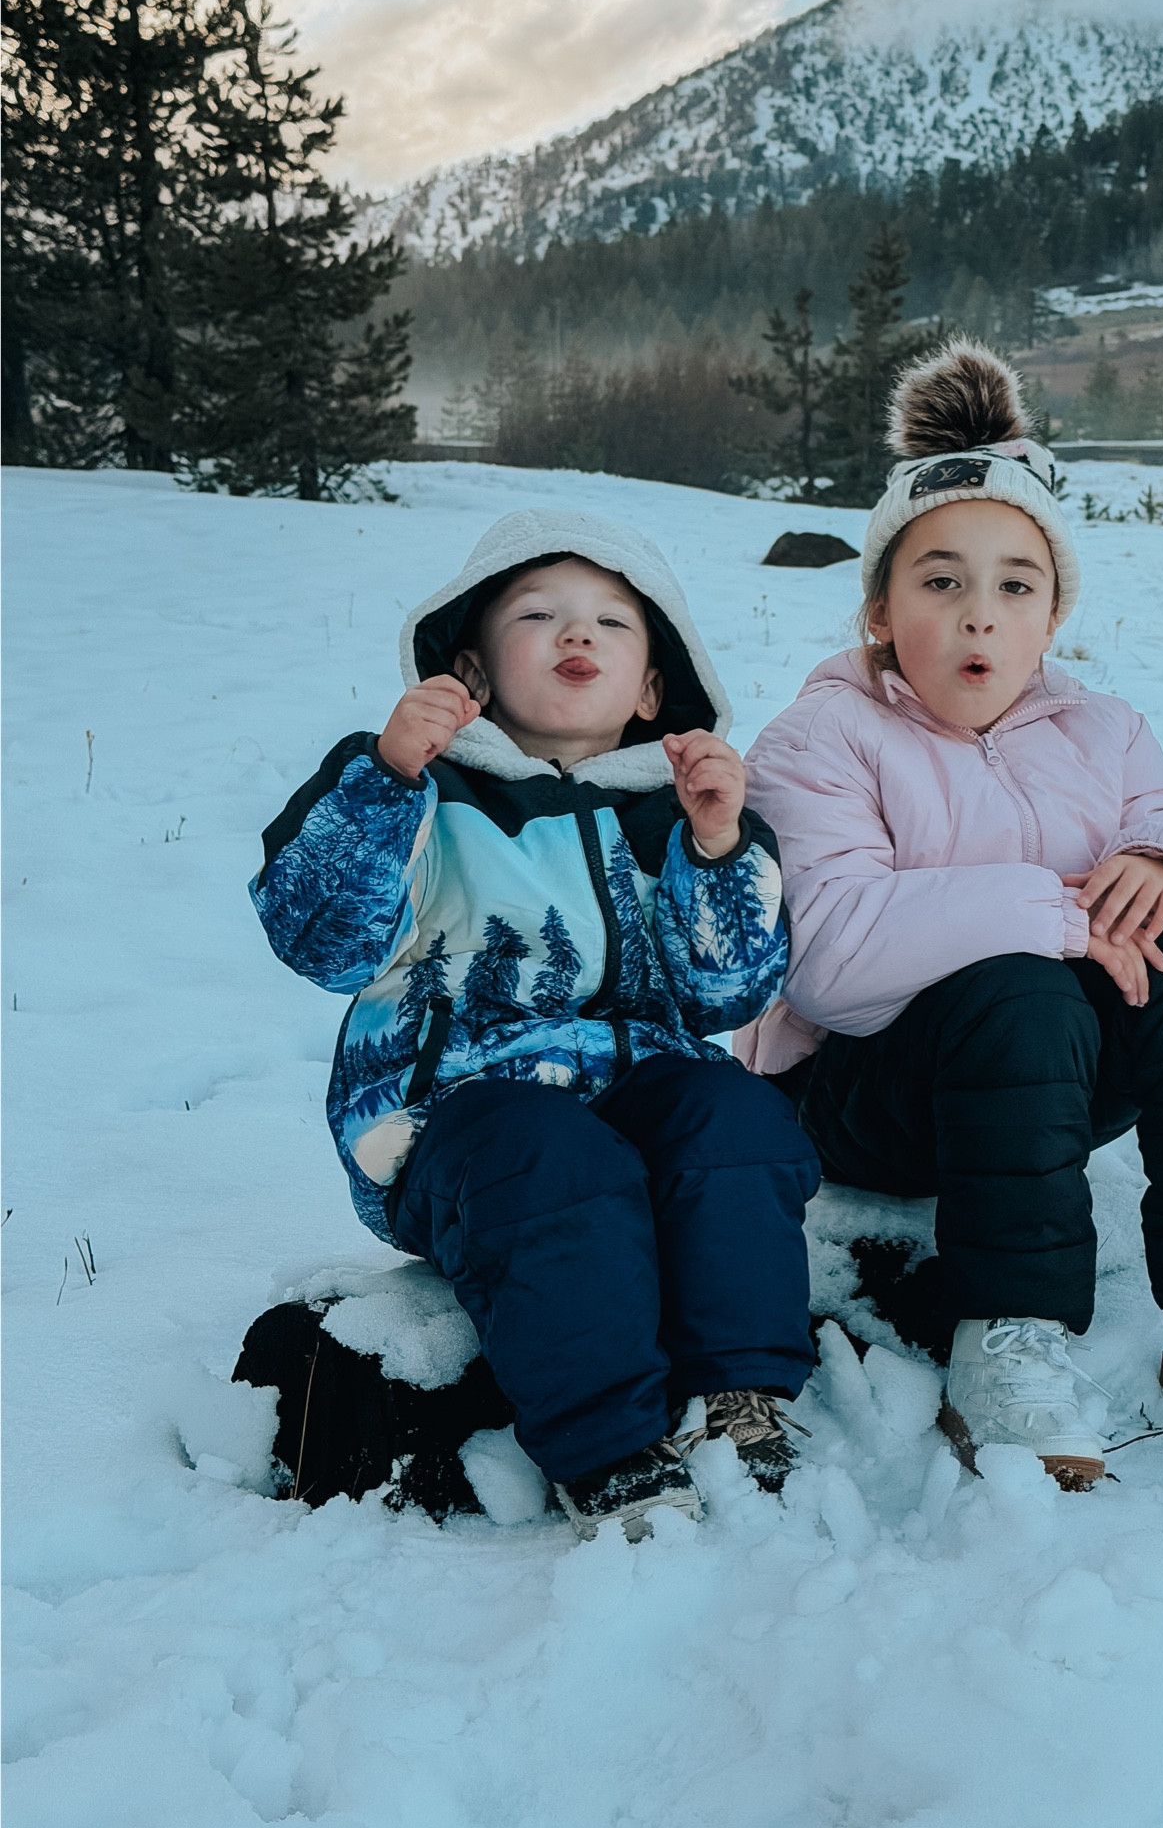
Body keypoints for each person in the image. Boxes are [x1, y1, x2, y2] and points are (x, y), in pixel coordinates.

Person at [739, 341, 1163, 1489]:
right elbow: (830, 959)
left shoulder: (1100, 729)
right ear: (880, 608)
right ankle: (1010, 1329)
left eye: (1013, 587)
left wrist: (1154, 868)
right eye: (939, 581)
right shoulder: (820, 738)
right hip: (868, 1096)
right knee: (1020, 984)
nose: (978, 618)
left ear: (1050, 619)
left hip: (1050, 1087)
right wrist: (1055, 912)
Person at [252, 508, 820, 1537]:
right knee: (547, 1149)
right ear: (470, 662)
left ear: (652, 685)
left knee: (733, 1112)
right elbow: (321, 941)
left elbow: (726, 993)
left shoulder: (672, 813)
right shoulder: (416, 788)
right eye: (540, 613)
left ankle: (739, 1394)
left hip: (638, 1098)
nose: (578, 635)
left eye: (612, 621)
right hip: (458, 1127)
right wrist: (387, 779)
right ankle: (607, 1444)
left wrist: (716, 845)